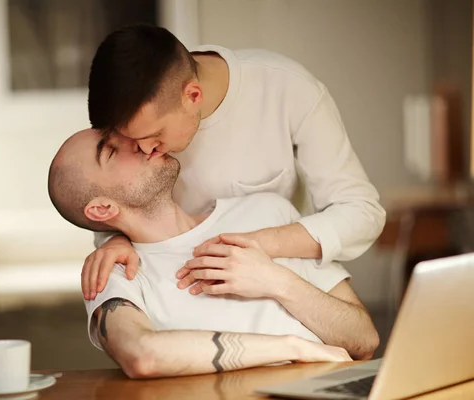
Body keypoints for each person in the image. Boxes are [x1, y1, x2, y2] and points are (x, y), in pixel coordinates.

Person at [82, 25, 386, 301]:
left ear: (193, 95)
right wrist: (115, 239)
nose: (145, 151)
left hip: (275, 287)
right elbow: (107, 190)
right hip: (177, 290)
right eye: (131, 142)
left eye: (155, 136)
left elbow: (362, 212)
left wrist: (254, 245)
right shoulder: (132, 111)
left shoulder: (288, 89)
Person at [48, 129, 379, 379]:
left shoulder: (269, 212)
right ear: (103, 207)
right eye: (112, 151)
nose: (137, 141)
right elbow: (141, 355)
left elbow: (364, 339)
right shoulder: (114, 271)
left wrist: (276, 281)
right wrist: (292, 347)